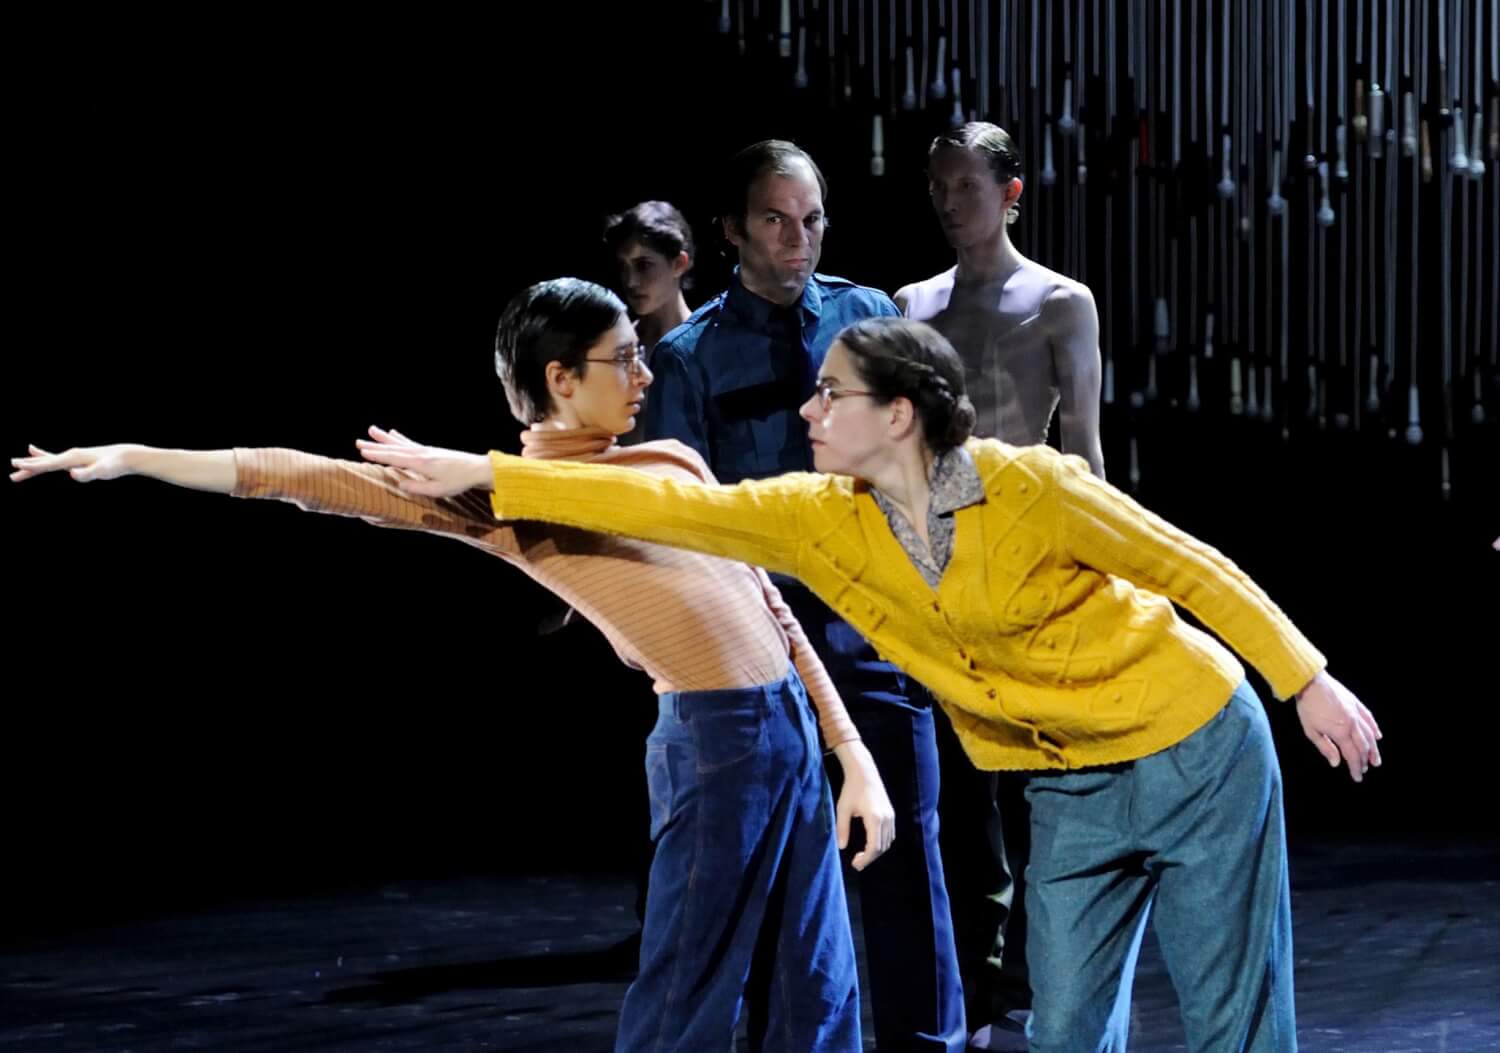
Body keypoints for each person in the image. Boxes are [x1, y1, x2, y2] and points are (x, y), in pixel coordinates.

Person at [354, 315, 1383, 1053]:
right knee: (1066, 1029)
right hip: (1064, 788)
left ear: (898, 414)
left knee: (1231, 1021)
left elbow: (1193, 568)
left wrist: (1309, 683)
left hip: (1193, 749)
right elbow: (673, 511)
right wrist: (487, 474)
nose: (807, 407)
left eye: (829, 392)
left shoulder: (1031, 485)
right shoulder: (817, 513)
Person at [11, 278, 897, 1053]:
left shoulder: (670, 460)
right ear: (561, 379)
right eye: (624, 359)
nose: (646, 374)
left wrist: (850, 753)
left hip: (786, 730)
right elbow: (305, 477)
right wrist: (137, 458)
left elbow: (772, 608)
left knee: (817, 988)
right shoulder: (496, 495)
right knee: (686, 994)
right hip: (716, 742)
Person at [644, 138, 967, 1051]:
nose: (800, 239)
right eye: (778, 221)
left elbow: (939, 465)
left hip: (877, 635)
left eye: (814, 219)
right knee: (777, 879)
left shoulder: (868, 317)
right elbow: (680, 527)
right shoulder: (688, 358)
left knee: (908, 854)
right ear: (732, 231)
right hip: (760, 656)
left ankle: (925, 1045)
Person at [895, 121, 1109, 1048]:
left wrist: (1100, 569)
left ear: (1011, 192)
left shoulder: (1061, 302)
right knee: (953, 795)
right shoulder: (913, 299)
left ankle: (1030, 977)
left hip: (1031, 562)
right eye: (938, 186)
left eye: (966, 186)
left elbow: (1086, 453)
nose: (949, 202)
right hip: (941, 561)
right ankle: (974, 987)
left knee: (1033, 788)